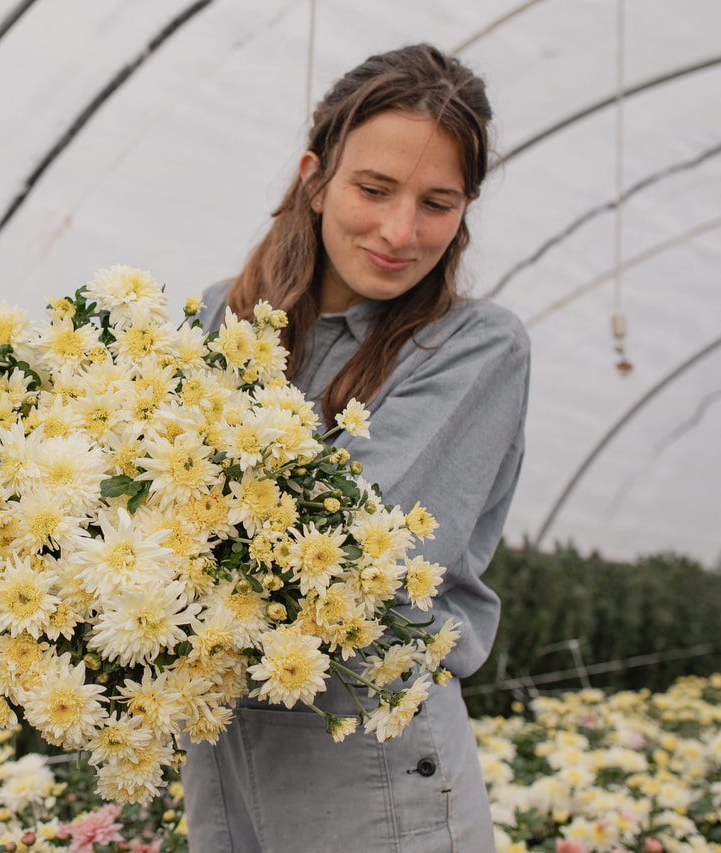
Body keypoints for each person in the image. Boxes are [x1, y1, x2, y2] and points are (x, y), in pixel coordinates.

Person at [181, 44, 530, 852]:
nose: (400, 231)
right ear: (315, 178)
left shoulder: (473, 349)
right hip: (223, 744)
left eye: (438, 204)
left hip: (368, 752)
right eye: (374, 189)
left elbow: (337, 549)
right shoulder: (214, 323)